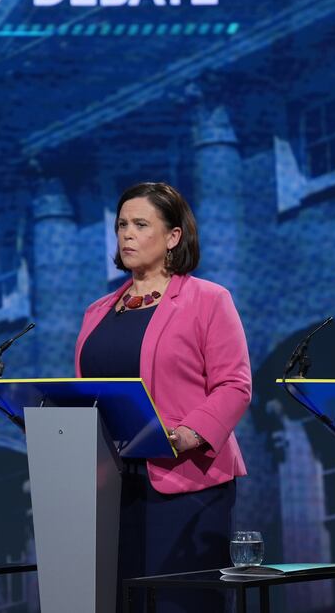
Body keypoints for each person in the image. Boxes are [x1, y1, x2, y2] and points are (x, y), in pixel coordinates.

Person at [74, 182, 252, 612]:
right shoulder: (98, 311)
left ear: (173, 236)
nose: (126, 235)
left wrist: (190, 432)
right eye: (121, 225)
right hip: (113, 486)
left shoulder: (209, 300)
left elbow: (235, 384)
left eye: (140, 224)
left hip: (185, 481)